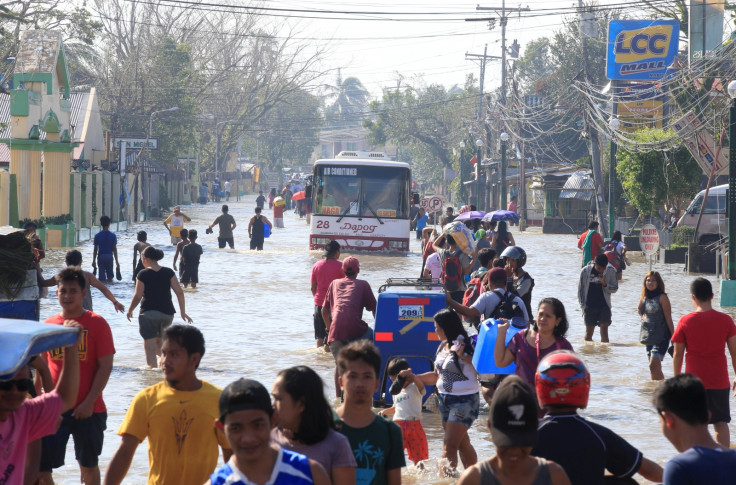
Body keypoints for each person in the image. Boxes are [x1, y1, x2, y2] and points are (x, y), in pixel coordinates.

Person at [105, 325, 233, 485]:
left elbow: (231, 455)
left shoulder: (218, 400)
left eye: (174, 354)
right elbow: (124, 452)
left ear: (194, 359)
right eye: (164, 353)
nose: (165, 361)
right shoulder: (146, 399)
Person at [532, 350, 663, 485]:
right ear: (585, 384)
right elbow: (649, 471)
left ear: (539, 385)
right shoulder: (598, 434)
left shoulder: (528, 434)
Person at [40, 268, 115, 485]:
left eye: (73, 291)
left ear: (84, 293)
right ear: (56, 294)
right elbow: (42, 369)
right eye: (63, 291)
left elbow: (105, 366)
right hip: (55, 410)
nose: (67, 296)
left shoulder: (97, 323)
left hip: (91, 409)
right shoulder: (48, 326)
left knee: (88, 467)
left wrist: (89, 402)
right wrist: (41, 403)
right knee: (43, 471)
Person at [0, 321, 81, 485]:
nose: (14, 392)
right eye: (6, 385)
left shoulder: (25, 412)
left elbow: (66, 398)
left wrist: (71, 348)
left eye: (23, 385)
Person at [207, 378, 329, 485]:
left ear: (273, 421)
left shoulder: (310, 473)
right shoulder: (218, 482)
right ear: (221, 428)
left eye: (258, 425)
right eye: (236, 428)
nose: (248, 438)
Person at [457, 376, 571, 485]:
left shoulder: (554, 476)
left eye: (522, 442)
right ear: (489, 427)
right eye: (506, 443)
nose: (514, 451)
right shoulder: (474, 479)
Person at [671, 277, 736, 448]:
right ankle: (723, 461)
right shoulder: (726, 320)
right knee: (721, 423)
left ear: (693, 297)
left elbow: (678, 354)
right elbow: (734, 352)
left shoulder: (685, 321)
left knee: (693, 424)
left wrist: (677, 381)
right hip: (719, 380)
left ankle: (695, 463)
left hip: (693, 383)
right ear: (712, 296)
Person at [416, 309, 479, 476]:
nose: (434, 330)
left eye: (436, 327)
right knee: (462, 444)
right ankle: (476, 478)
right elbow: (437, 376)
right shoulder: (443, 345)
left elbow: (484, 370)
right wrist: (414, 378)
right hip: (444, 400)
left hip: (465, 400)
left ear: (445, 327)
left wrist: (465, 356)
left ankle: (444, 480)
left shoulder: (467, 343)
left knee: (449, 444)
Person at [270, 366, 357, 484]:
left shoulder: (336, 445)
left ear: (301, 404)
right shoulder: (267, 440)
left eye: (277, 398)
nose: (272, 405)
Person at [335, 341, 405, 485]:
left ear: (377, 384)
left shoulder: (391, 432)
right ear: (341, 383)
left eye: (367, 376)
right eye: (353, 376)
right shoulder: (323, 426)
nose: (360, 383)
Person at [653, 373, 736, 484]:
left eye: (660, 421)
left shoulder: (679, 468)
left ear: (668, 419)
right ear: (708, 415)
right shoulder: (733, 458)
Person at [127, 247, 193, 368]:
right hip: (167, 314)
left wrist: (130, 309)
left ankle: (152, 374)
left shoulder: (142, 273)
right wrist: (183, 312)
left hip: (148, 314)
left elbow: (137, 296)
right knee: (160, 343)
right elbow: (179, 292)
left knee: (150, 345)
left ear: (145, 258)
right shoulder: (168, 272)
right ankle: (164, 370)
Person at [322, 256, 377, 398]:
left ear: (342, 270)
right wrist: (379, 327)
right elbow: (374, 308)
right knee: (374, 336)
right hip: (356, 331)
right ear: (358, 270)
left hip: (335, 332)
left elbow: (323, 310)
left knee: (338, 364)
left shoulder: (334, 283)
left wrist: (329, 329)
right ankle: (368, 387)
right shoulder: (363, 284)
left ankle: (339, 397)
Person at [378, 358, 428, 466]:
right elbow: (396, 408)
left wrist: (412, 376)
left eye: (398, 379)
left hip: (414, 424)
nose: (396, 383)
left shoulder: (414, 387)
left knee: (419, 459)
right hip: (398, 425)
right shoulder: (395, 391)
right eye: (393, 380)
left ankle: (419, 478)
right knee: (393, 455)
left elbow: (422, 387)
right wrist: (384, 411)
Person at [40, 250, 125, 314]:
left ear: (66, 262)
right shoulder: (87, 276)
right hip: (86, 314)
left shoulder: (60, 276)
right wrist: (115, 302)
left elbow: (43, 283)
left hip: (69, 315)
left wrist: (36, 268)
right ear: (80, 262)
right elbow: (103, 289)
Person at [447, 266, 529, 329]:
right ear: (506, 282)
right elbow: (527, 324)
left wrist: (450, 300)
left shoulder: (486, 297)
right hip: (512, 344)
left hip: (492, 341)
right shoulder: (518, 300)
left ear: (489, 282)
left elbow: (469, 312)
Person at [638, 271, 674, 380]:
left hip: (661, 336)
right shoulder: (644, 297)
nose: (650, 283)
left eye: (653, 280)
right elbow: (639, 309)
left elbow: (668, 318)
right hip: (648, 336)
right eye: (648, 280)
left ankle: (662, 390)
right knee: (653, 368)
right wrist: (643, 316)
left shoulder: (662, 297)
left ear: (658, 283)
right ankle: (656, 390)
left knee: (653, 365)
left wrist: (674, 338)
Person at [578, 253, 618, 343]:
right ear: (594, 264)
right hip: (589, 306)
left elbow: (615, 288)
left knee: (604, 333)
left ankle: (604, 356)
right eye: (599, 268)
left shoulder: (611, 271)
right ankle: (589, 355)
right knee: (588, 334)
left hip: (604, 306)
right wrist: (583, 306)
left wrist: (605, 284)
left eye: (604, 268)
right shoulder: (585, 271)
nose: (602, 270)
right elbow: (580, 290)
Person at [311, 240, 344, 350]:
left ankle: (319, 363)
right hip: (332, 306)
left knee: (319, 338)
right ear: (336, 253)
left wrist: (317, 300)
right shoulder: (341, 267)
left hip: (318, 304)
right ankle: (326, 364)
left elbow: (313, 288)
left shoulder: (316, 265)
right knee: (329, 339)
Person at [432, 233, 472, 304]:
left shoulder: (443, 253)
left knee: (447, 313)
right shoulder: (462, 254)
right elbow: (466, 271)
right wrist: (473, 259)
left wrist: (442, 234)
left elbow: (433, 245)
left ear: (446, 242)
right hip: (460, 289)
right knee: (459, 312)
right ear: (457, 241)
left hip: (446, 289)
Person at [501, 246, 535, 320]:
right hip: (509, 315)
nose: (509, 263)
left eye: (513, 260)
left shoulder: (526, 280)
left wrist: (508, 278)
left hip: (522, 317)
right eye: (508, 260)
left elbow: (513, 297)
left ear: (519, 262)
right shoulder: (508, 275)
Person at [92, 216, 120, 283]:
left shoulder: (97, 236)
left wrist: (93, 261)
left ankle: (101, 292)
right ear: (109, 224)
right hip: (109, 257)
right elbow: (115, 250)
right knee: (110, 278)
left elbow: (95, 250)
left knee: (101, 280)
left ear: (101, 224)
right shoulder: (113, 236)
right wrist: (117, 262)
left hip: (101, 257)